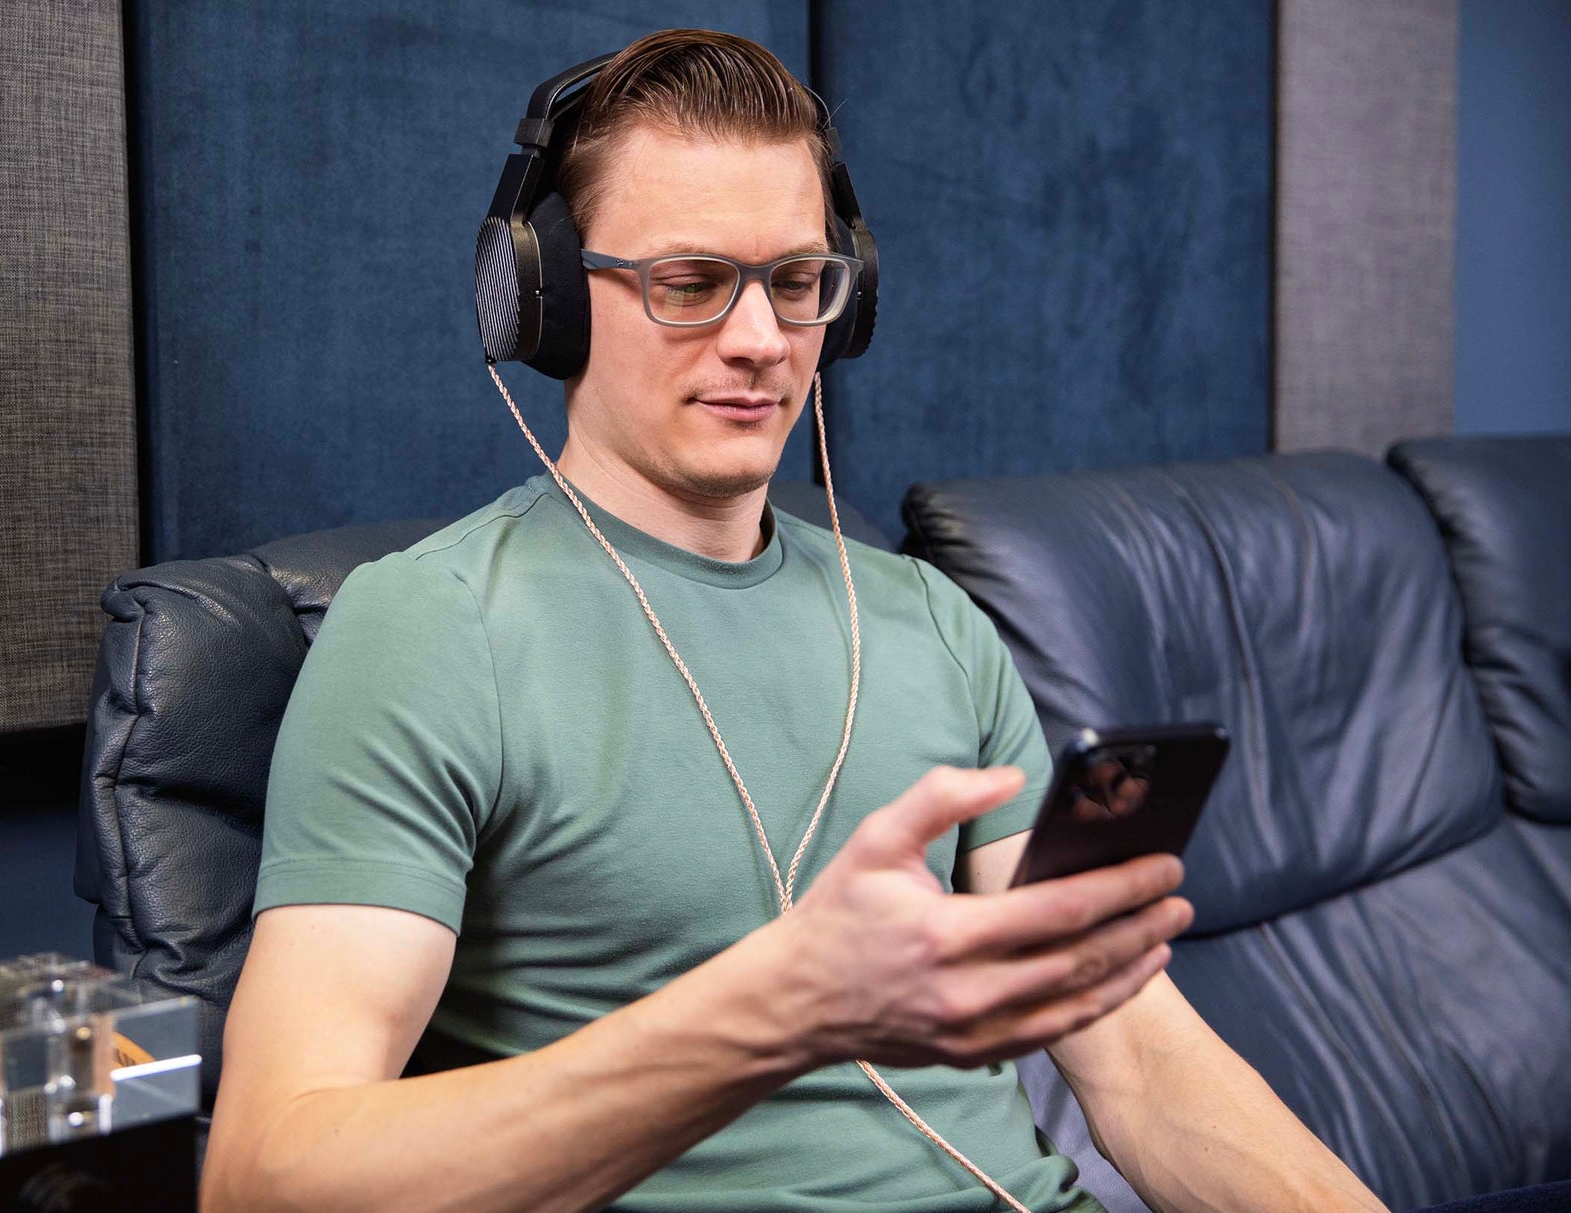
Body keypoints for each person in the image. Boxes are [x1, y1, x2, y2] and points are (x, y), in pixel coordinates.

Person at [202, 29, 1386, 1213]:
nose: (763, 341)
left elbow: (1136, 1056)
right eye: (688, 282)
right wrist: (778, 1007)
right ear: (546, 298)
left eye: (796, 281)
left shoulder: (931, 621)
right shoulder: (430, 629)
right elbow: (269, 1176)